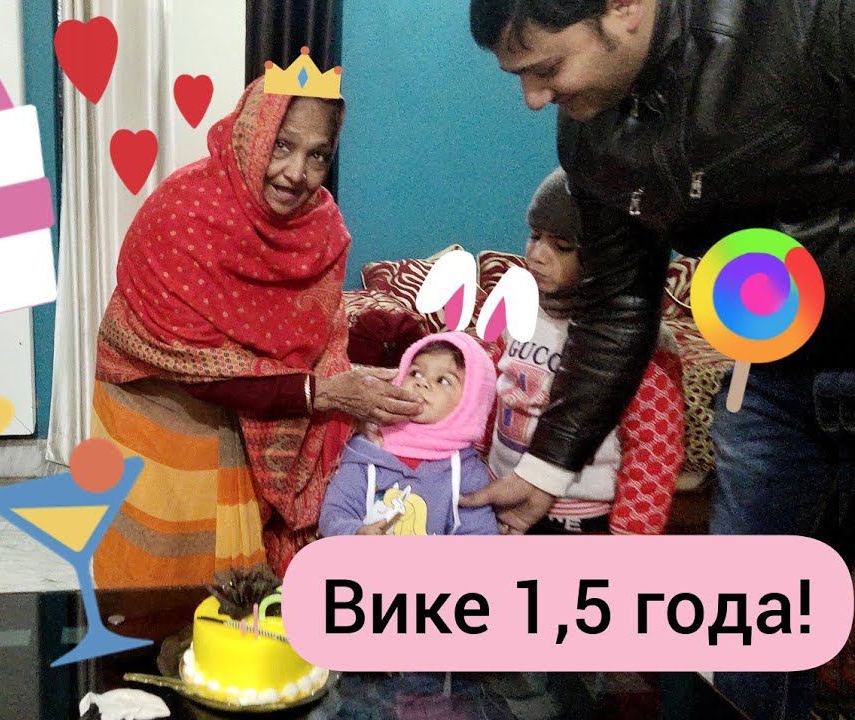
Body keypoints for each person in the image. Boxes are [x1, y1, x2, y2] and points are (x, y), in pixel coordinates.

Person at [465, 0, 852, 717]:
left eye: (546, 68)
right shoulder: (588, 130)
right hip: (768, 384)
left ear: (625, 6)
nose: (533, 99)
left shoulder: (810, 20)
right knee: (747, 642)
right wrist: (544, 472)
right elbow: (617, 306)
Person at [93, 75, 424, 586]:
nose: (296, 173)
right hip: (162, 417)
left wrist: (352, 384)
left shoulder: (322, 230)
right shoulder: (181, 213)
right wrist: (325, 393)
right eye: (282, 145)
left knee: (241, 598)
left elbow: (321, 344)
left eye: (318, 155)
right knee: (161, 588)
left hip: (259, 418)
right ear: (253, 132)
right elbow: (189, 362)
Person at [487, 167, 683, 535]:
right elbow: (491, 395)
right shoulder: (515, 310)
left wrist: (630, 535)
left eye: (562, 246)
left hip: (580, 518)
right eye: (534, 237)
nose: (537, 255)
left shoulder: (642, 344)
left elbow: (654, 447)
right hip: (501, 495)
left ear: (608, 258)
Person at [320, 333, 500, 537]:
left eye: (443, 380)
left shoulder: (468, 473)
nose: (422, 383)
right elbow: (334, 514)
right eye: (415, 373)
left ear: (471, 402)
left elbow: (480, 538)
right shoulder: (366, 450)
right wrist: (355, 533)